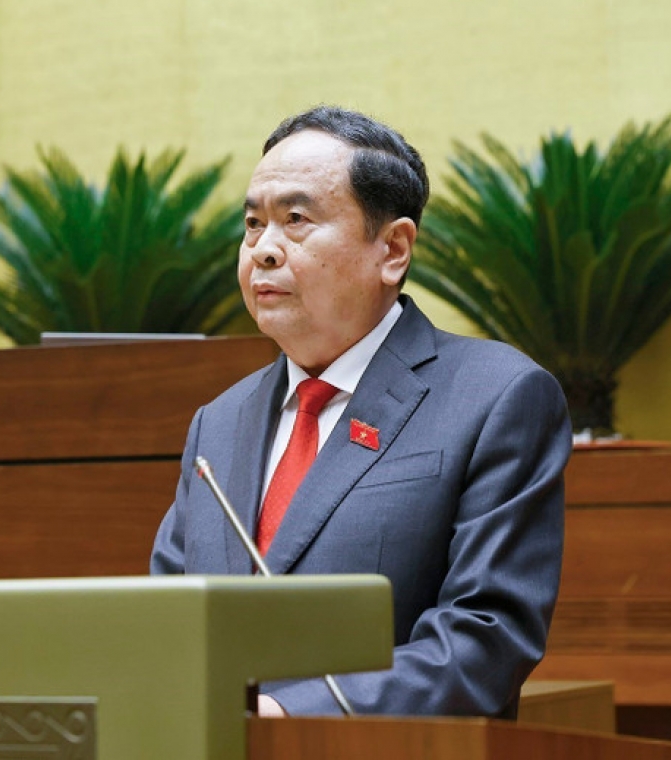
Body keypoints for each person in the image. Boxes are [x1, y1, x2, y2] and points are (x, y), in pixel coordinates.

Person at [150, 105, 571, 717]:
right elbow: (165, 625)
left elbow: (485, 639)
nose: (263, 249)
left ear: (393, 249)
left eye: (295, 220)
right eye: (250, 224)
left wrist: (292, 715)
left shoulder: (495, 396)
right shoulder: (219, 421)